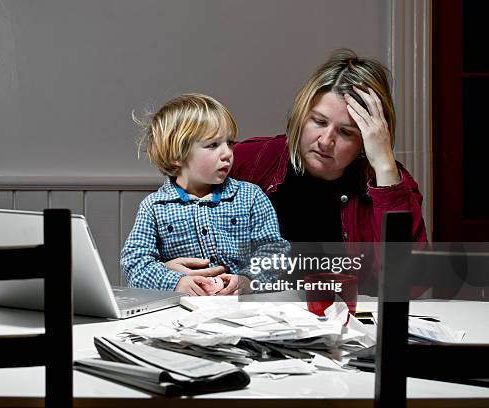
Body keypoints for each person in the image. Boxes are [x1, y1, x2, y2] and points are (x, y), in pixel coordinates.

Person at [167, 49, 427, 294]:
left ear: (368, 139)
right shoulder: (246, 161)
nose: (326, 141)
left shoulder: (391, 183)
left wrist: (384, 166)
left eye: (346, 132)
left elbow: (412, 285)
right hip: (250, 325)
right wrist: (169, 269)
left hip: (347, 330)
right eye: (319, 121)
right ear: (302, 114)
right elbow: (167, 243)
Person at [121, 93, 289, 296]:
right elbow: (135, 263)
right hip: (180, 311)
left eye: (229, 143)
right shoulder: (154, 207)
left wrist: (247, 280)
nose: (227, 153)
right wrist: (176, 282)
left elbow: (274, 251)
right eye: (212, 145)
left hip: (242, 310)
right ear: (176, 155)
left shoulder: (251, 197)